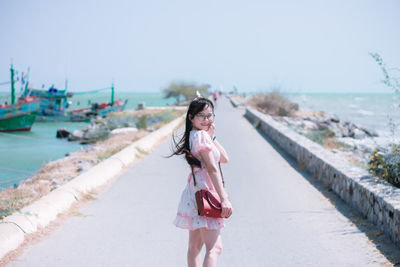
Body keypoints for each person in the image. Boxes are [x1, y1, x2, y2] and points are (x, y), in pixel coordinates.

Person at [169, 97, 233, 267]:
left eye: (209, 116)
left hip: (195, 194)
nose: (206, 120)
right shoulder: (201, 137)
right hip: (206, 193)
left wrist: (212, 137)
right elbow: (213, 169)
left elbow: (225, 158)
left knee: (195, 246)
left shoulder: (195, 136)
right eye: (201, 116)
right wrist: (224, 198)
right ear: (191, 117)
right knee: (215, 247)